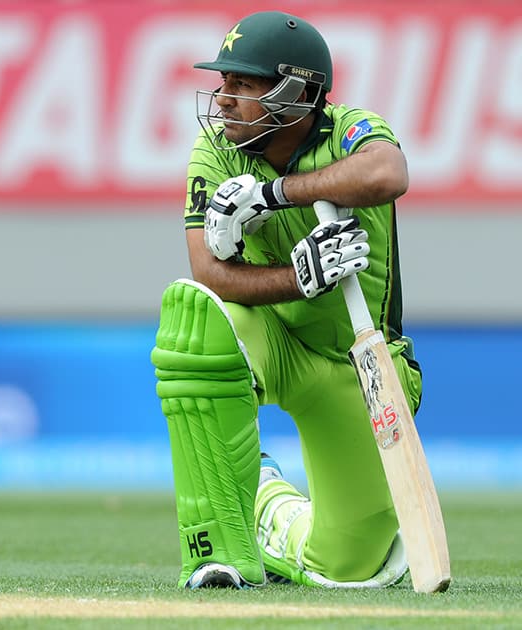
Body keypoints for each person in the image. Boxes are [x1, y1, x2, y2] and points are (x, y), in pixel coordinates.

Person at [150, 10, 421, 589]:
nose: (222, 98)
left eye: (242, 85)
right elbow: (208, 270)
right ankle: (217, 554)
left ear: (297, 92)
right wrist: (299, 280)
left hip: (362, 366)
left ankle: (271, 504)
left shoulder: (351, 129)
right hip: (271, 338)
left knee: (346, 570)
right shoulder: (218, 149)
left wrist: (275, 195)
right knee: (193, 314)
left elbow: (388, 172)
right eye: (223, 83)